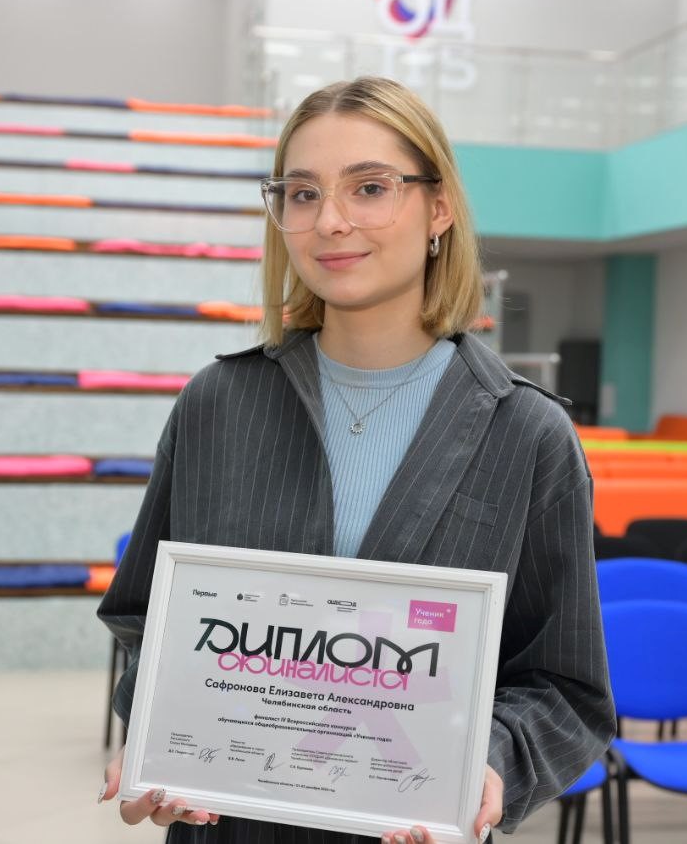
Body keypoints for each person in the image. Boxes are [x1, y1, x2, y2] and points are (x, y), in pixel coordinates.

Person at [97, 76, 614, 843]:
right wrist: (164, 733)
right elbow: (149, 618)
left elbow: (564, 685)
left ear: (439, 208)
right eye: (302, 194)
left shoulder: (527, 433)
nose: (330, 221)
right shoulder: (217, 403)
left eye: (369, 188)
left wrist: (489, 765)